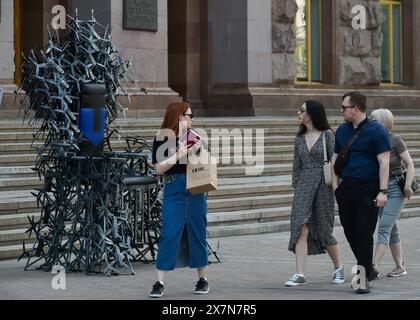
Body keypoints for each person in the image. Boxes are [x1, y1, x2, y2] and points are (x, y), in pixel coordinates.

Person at [149, 101, 209, 298]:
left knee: (197, 231)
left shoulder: (195, 137)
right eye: (190, 115)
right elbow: (158, 168)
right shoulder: (163, 138)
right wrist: (179, 153)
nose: (192, 119)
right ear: (180, 116)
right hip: (173, 188)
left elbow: (206, 165)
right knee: (169, 232)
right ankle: (159, 282)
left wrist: (200, 151)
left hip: (195, 188)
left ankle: (203, 279)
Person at [332, 92, 391, 294]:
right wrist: (335, 187)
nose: (341, 111)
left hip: (369, 188)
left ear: (355, 108)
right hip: (346, 188)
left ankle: (362, 278)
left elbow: (384, 162)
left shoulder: (377, 131)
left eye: (343, 107)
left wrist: (383, 191)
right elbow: (335, 159)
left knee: (364, 233)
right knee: (350, 232)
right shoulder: (341, 131)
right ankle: (369, 267)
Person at [286, 100, 345, 286]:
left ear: (311, 114)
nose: (298, 113)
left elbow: (336, 164)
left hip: (323, 185)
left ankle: (338, 267)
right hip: (304, 186)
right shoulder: (299, 139)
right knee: (300, 227)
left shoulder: (328, 135)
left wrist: (336, 186)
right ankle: (300, 273)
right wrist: (297, 186)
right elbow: (297, 166)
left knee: (323, 229)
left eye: (302, 110)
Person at [370, 108, 415, 278]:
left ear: (383, 123)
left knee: (384, 227)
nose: (371, 124)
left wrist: (408, 185)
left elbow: (409, 164)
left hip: (396, 188)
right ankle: (400, 266)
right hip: (380, 189)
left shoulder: (395, 140)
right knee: (391, 227)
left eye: (374, 121)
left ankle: (373, 265)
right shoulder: (372, 142)